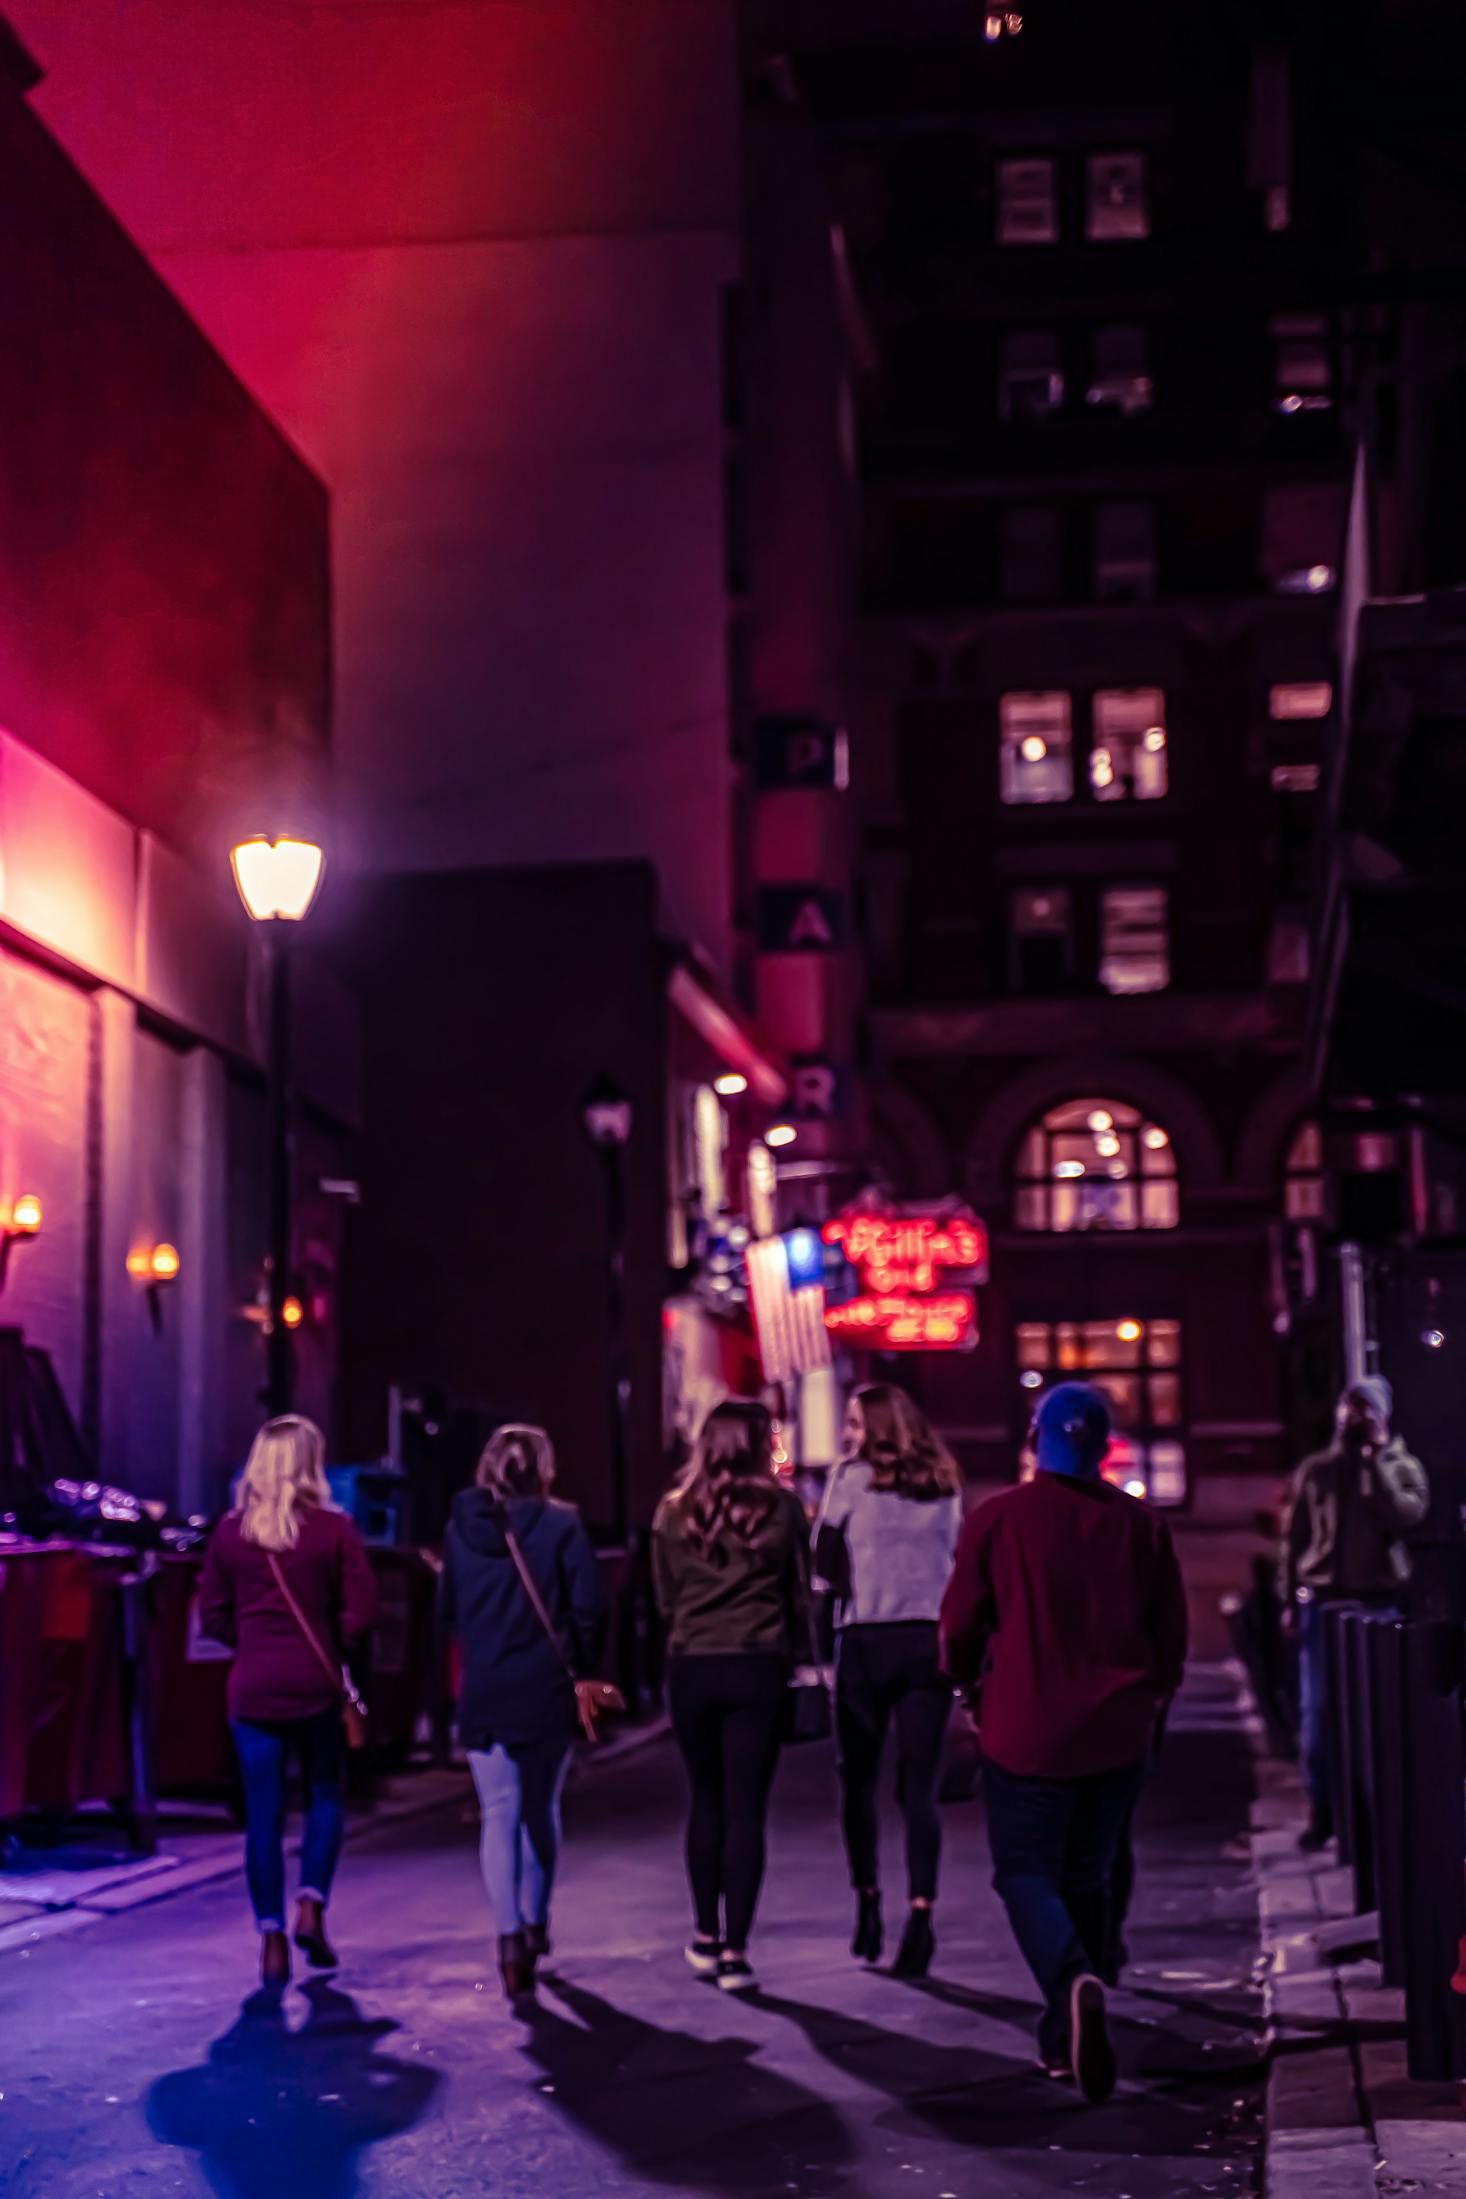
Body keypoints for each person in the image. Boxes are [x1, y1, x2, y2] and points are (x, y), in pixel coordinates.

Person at [940, 1382, 1188, 2103]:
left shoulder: (998, 1519)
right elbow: (1169, 1631)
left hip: (1025, 1725)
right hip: (1117, 1729)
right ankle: (1064, 2032)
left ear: (1034, 1439)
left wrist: (967, 1688)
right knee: (1088, 1870)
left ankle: (1070, 1975)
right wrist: (1154, 1694)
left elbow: (959, 1626)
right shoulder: (1142, 1526)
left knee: (1025, 1871)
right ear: (1102, 1444)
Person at [199, 1415, 378, 1988]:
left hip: (252, 1689)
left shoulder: (230, 1533)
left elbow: (213, 1615)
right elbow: (362, 1610)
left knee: (263, 1815)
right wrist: (332, 1640)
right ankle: (311, 1905)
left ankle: (272, 1938)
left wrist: (251, 1644)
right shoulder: (334, 1530)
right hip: (315, 1688)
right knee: (325, 1795)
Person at [442, 1423, 606, 2003]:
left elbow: (448, 1612)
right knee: (542, 1808)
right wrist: (585, 1668)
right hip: (545, 1685)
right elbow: (586, 1606)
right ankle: (537, 1923)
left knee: (498, 1812)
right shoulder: (562, 1525)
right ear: (543, 1467)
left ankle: (508, 1939)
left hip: (486, 1684)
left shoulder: (460, 1530)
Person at [652, 1398, 810, 1994]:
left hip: (693, 1665)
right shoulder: (783, 1509)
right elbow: (801, 1593)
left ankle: (703, 1933)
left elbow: (664, 1598)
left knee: (705, 1800)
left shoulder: (672, 1513)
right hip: (757, 1665)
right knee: (747, 1810)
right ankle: (737, 1952)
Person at [813, 1383, 964, 1978]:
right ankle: (921, 1914)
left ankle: (868, 1902)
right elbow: (955, 1555)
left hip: (867, 1637)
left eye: (853, 1422)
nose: (848, 1433)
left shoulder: (850, 1480)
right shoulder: (943, 1478)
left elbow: (823, 1563)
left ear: (873, 1427)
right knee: (919, 1789)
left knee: (857, 1781)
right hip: (927, 1639)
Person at [1281, 1377, 1428, 1850]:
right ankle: (1323, 1810)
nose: (1353, 1417)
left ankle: (1375, 1817)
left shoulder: (1403, 1466)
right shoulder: (1318, 1471)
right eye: (1349, 1407)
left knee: (1376, 1715)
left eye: (1364, 1409)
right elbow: (1295, 1539)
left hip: (1377, 1603)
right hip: (1324, 1602)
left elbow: (1407, 1515)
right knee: (1319, 1713)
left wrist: (1377, 1464)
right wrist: (1290, 1597)